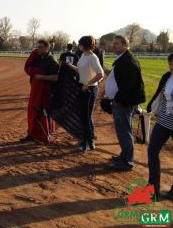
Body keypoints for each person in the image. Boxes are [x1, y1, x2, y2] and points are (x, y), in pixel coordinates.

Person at [104, 35, 146, 171]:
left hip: (124, 102)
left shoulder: (127, 60)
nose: (113, 46)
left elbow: (129, 86)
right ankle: (125, 156)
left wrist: (116, 99)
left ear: (124, 45)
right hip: (122, 101)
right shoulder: (124, 58)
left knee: (124, 131)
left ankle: (127, 161)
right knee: (123, 130)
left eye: (116, 44)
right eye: (113, 43)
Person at [67, 36, 104, 151]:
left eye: (80, 44)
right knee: (83, 116)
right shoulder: (83, 55)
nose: (78, 46)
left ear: (84, 45)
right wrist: (68, 65)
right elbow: (80, 70)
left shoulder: (93, 57)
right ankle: (87, 140)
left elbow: (100, 74)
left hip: (89, 90)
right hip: (83, 88)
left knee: (86, 117)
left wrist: (87, 84)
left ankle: (88, 142)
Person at [22, 39, 59, 143]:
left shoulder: (52, 60)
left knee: (43, 113)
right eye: (37, 47)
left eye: (41, 47)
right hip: (35, 91)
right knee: (32, 112)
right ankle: (31, 134)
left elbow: (57, 77)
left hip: (45, 93)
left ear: (47, 48)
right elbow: (28, 68)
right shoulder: (37, 57)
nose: (38, 49)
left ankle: (44, 136)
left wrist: (42, 77)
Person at [147, 53, 173, 200]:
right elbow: (159, 94)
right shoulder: (167, 77)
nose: (172, 66)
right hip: (163, 121)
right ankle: (153, 187)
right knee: (152, 150)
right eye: (170, 63)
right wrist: (152, 105)